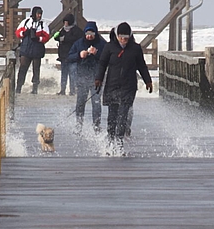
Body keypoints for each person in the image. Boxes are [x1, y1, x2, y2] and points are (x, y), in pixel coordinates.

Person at [95, 22, 153, 152]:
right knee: (112, 117)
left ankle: (119, 144)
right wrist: (98, 79)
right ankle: (110, 143)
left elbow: (142, 66)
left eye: (126, 38)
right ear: (117, 36)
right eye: (121, 37)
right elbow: (102, 64)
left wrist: (148, 81)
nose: (123, 40)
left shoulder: (135, 48)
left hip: (129, 87)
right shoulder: (109, 47)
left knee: (123, 116)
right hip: (112, 86)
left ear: (130, 36)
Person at [67, 21, 106, 132]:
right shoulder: (79, 43)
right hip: (82, 76)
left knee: (96, 104)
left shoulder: (102, 44)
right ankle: (79, 126)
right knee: (80, 103)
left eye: (92, 34)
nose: (89, 36)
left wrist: (97, 54)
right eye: (87, 33)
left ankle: (96, 126)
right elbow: (69, 57)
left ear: (95, 33)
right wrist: (80, 55)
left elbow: (108, 58)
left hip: (96, 78)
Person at [14, 6, 50, 94]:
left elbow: (47, 36)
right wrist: (25, 33)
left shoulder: (42, 24)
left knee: (36, 69)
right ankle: (18, 87)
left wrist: (38, 39)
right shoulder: (26, 22)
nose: (39, 16)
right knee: (23, 68)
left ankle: (35, 89)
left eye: (40, 14)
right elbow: (18, 33)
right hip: (26, 49)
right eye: (38, 14)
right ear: (34, 13)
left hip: (37, 50)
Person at [52, 13, 83, 95]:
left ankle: (72, 91)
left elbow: (77, 39)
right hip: (63, 56)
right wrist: (57, 37)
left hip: (72, 57)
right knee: (64, 74)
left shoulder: (77, 30)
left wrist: (65, 39)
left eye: (67, 22)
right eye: (64, 22)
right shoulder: (63, 30)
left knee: (73, 75)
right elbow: (57, 37)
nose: (65, 23)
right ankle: (62, 90)